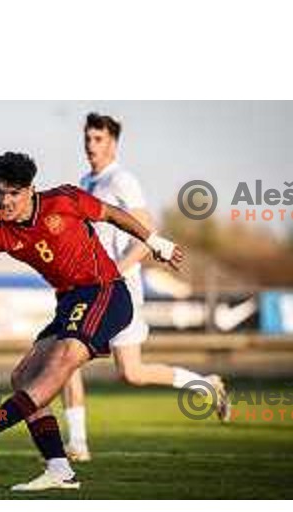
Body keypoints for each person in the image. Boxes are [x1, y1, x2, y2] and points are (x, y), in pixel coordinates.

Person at [0, 151, 182, 491]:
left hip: (106, 292)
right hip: (70, 303)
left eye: (13, 193)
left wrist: (154, 241)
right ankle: (59, 469)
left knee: (65, 357)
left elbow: (113, 214)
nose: (5, 201)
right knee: (23, 376)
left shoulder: (64, 199)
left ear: (30, 190)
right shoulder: (2, 232)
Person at [62, 113, 229, 462]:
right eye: (88, 138)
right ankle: (77, 444)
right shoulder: (84, 182)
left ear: (113, 143)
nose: (91, 145)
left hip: (121, 290)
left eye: (98, 139)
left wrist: (116, 271)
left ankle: (206, 385)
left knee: (132, 373)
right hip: (92, 290)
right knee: (66, 356)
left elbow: (147, 235)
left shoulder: (123, 181)